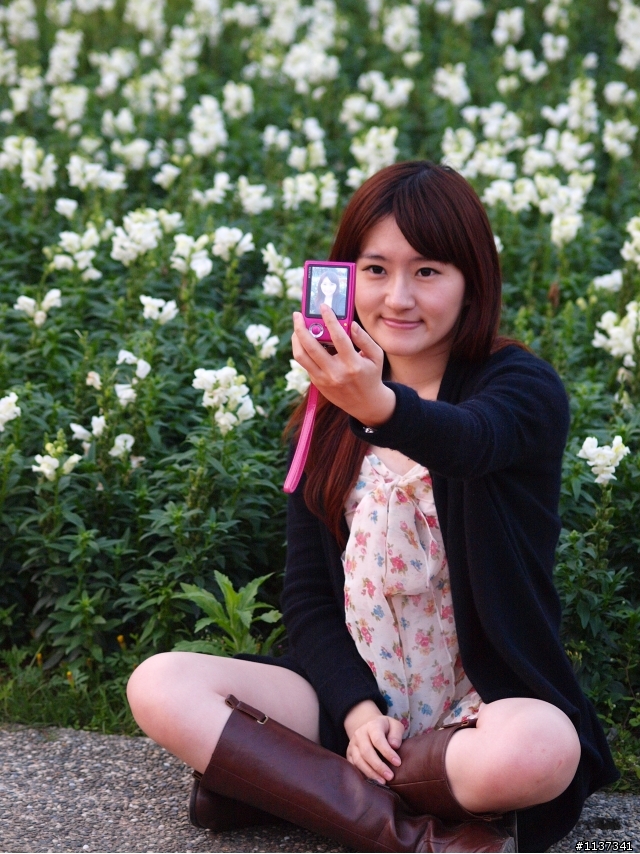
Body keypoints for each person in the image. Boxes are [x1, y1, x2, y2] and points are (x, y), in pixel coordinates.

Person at [126, 161, 619, 853]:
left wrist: (379, 406)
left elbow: (472, 442)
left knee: (543, 749)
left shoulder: (520, 387)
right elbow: (308, 599)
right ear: (345, 276)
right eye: (377, 270)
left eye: (428, 271)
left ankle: (288, 786)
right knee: (160, 684)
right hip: (354, 705)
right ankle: (421, 837)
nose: (398, 297)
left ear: (472, 280)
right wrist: (357, 712)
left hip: (479, 710)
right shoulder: (325, 414)